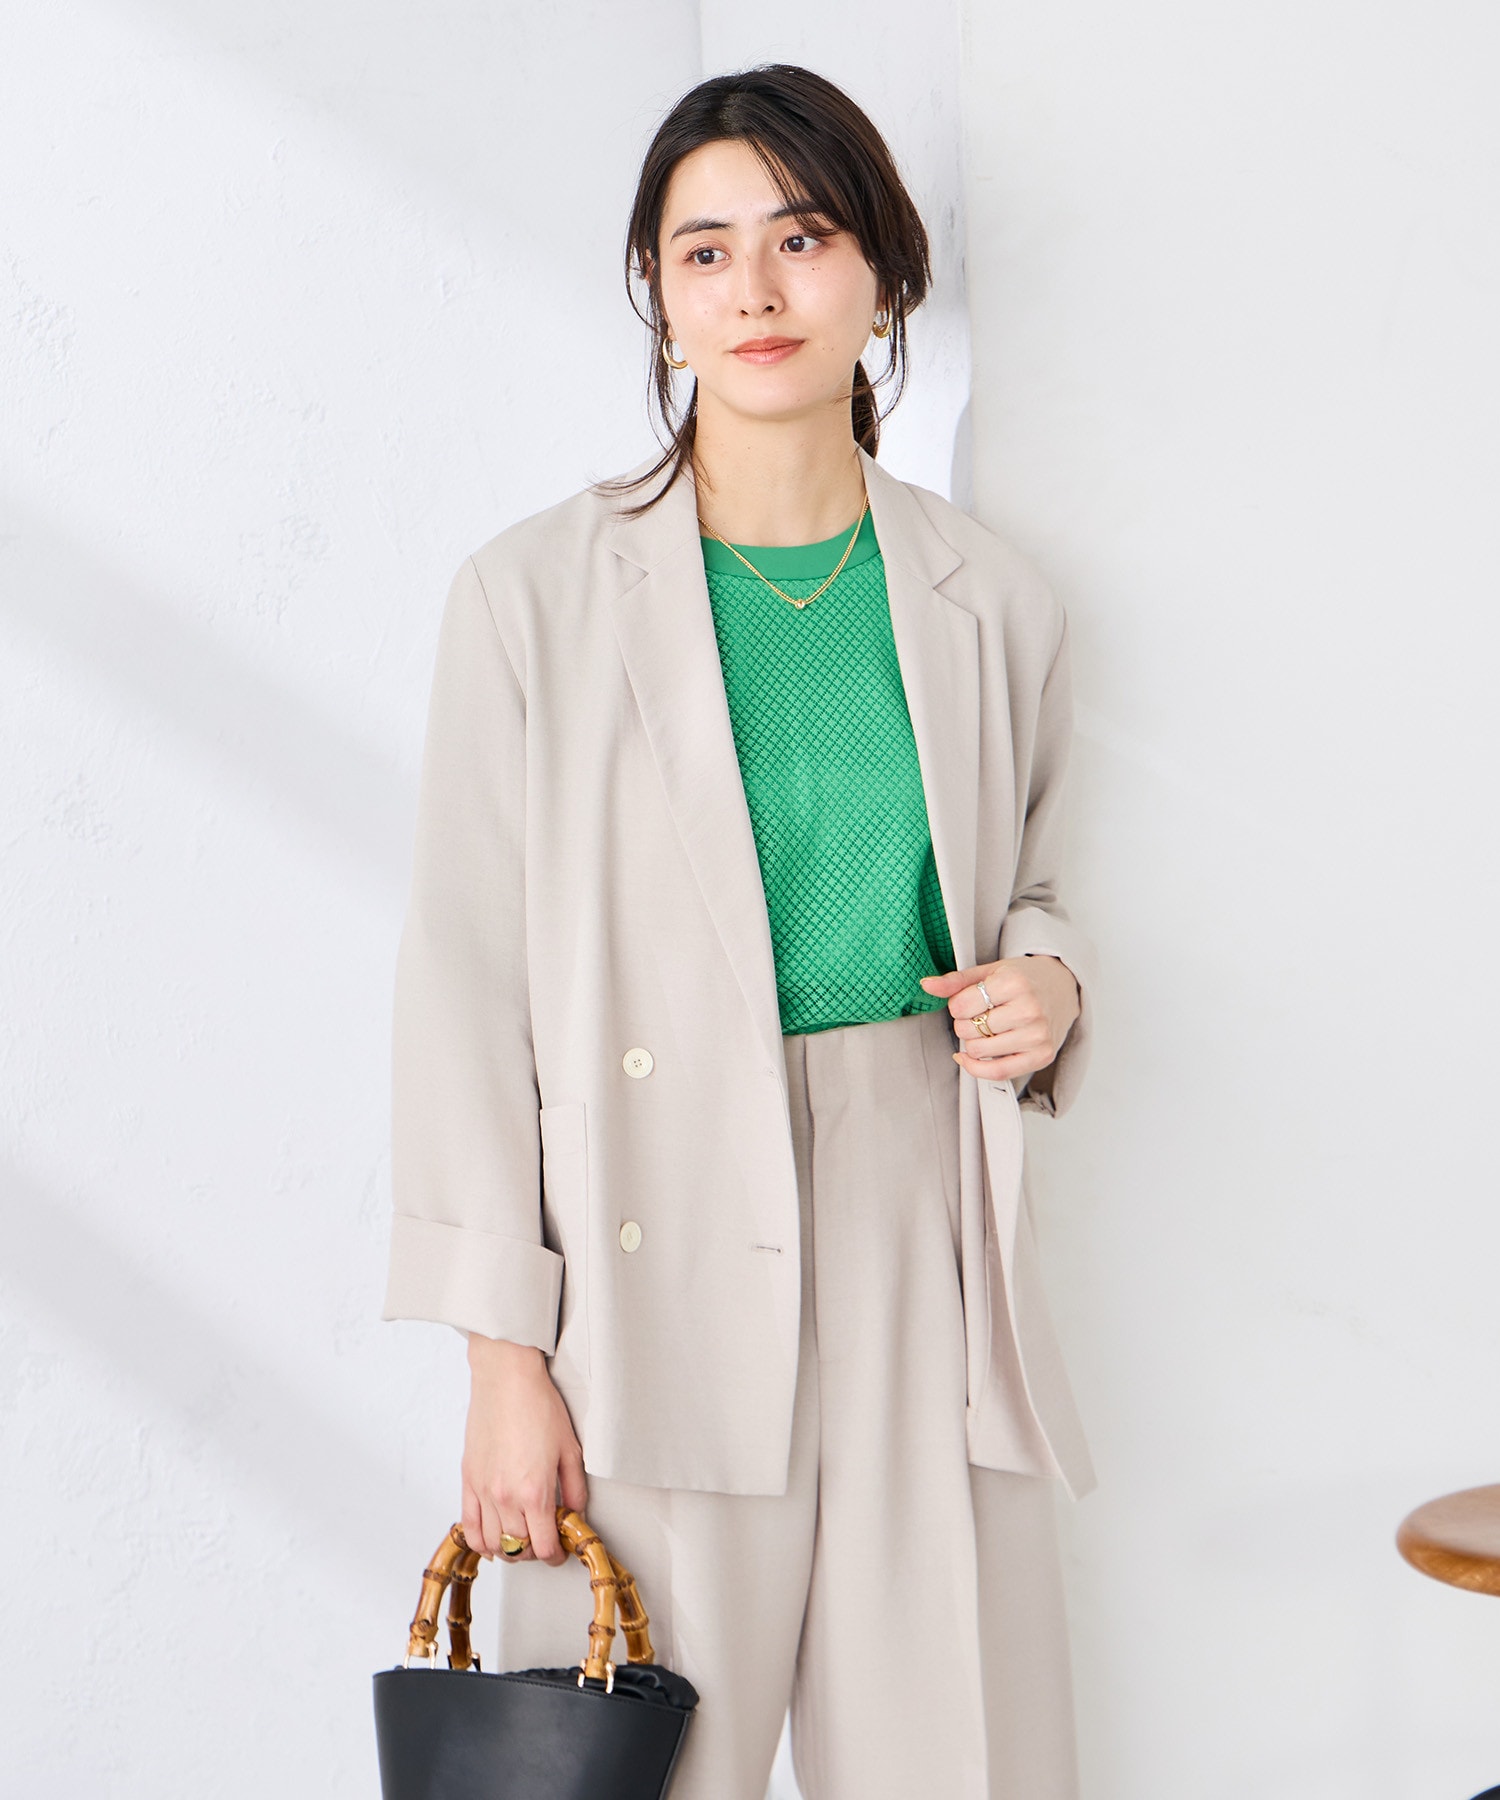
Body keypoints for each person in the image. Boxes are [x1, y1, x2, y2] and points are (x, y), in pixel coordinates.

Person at [382, 62, 1098, 1800]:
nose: (757, 290)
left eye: (804, 236)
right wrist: (502, 1361)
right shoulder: (534, 598)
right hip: (648, 1242)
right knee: (644, 1759)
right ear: (658, 288)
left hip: (921, 1217)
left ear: (885, 273)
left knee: (953, 1758)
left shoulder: (990, 597)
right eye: (705, 251)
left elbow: (1039, 880)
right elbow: (466, 983)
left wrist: (1048, 982)